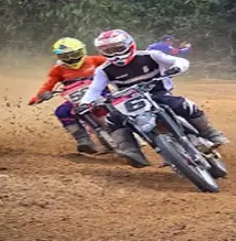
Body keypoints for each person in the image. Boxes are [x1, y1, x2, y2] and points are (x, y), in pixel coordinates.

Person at [78, 29, 226, 168]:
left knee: (183, 105)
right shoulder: (103, 70)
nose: (114, 54)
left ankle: (210, 133)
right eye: (108, 51)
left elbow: (180, 61)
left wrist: (176, 68)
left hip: (158, 94)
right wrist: (84, 103)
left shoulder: (150, 55)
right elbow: (94, 90)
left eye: (118, 48)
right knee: (112, 120)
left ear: (129, 45)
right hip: (128, 101)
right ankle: (131, 151)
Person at [28, 37, 107, 154]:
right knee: (62, 112)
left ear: (82, 51)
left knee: (114, 107)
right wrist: (40, 96)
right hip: (76, 100)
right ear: (59, 57)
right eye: (65, 57)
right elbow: (48, 84)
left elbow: (116, 66)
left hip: (101, 94)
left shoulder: (96, 60)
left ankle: (129, 130)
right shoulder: (58, 70)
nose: (71, 59)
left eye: (74, 54)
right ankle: (83, 139)